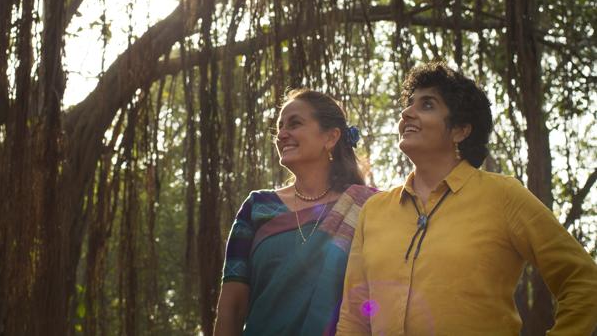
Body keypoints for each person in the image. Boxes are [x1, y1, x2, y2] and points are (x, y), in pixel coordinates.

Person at [336, 62, 597, 335]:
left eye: (427, 105)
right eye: (409, 104)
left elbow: (582, 280)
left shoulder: (503, 196)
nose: (406, 113)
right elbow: (355, 315)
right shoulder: (374, 211)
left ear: (461, 130)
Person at [214, 89, 378, 336]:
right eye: (279, 127)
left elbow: (379, 297)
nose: (281, 134)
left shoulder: (366, 207)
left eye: (295, 123)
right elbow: (232, 307)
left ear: (331, 137)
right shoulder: (257, 208)